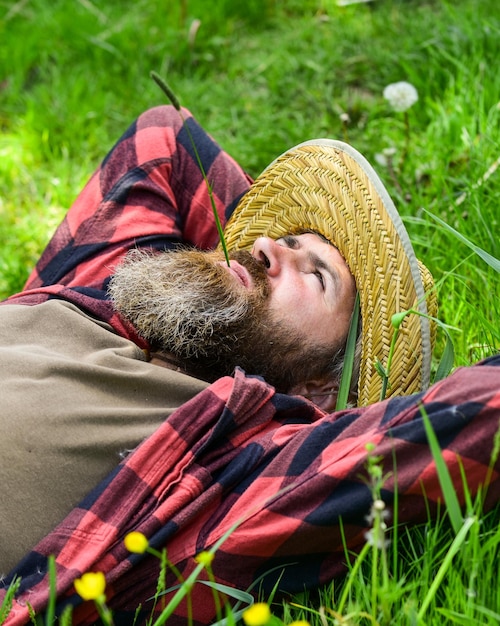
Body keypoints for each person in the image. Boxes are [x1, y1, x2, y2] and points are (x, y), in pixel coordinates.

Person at [0, 105, 498, 626]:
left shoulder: (234, 459)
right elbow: (163, 142)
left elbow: (477, 412)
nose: (263, 247)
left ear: (322, 387)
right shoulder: (124, 297)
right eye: (283, 241)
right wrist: (214, 286)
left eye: (316, 276)